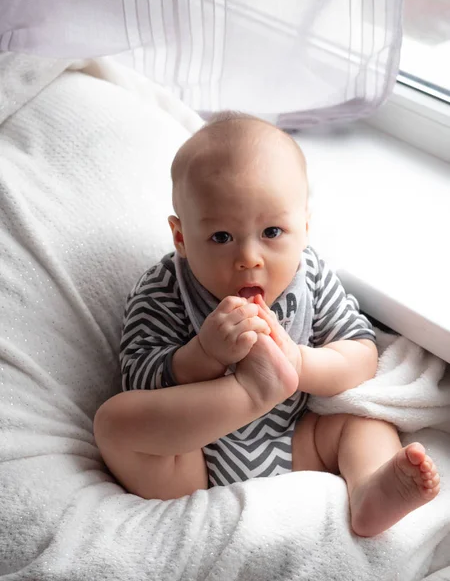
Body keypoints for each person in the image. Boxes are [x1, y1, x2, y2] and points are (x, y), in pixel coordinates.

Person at [94, 112, 440, 537]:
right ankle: (254, 390)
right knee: (115, 423)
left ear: (305, 227)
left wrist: (298, 362)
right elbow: (138, 378)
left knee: (365, 421)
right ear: (181, 237)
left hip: (298, 440)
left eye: (272, 231)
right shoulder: (166, 288)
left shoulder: (308, 274)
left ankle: (370, 491)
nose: (250, 258)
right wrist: (202, 356)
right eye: (221, 237)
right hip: (194, 462)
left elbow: (361, 353)